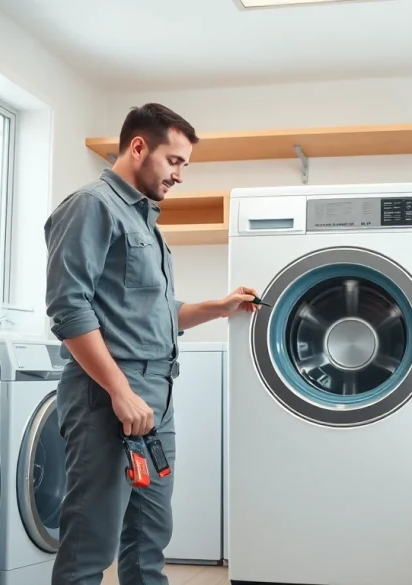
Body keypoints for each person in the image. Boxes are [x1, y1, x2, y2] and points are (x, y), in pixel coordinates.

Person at [43, 102, 259, 585]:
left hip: (156, 396)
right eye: (174, 161)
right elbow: (69, 309)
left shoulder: (146, 223)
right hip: (106, 396)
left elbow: (159, 315)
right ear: (139, 147)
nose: (181, 175)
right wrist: (120, 392)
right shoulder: (91, 207)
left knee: (149, 535)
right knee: (90, 543)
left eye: (185, 164)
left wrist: (218, 307)